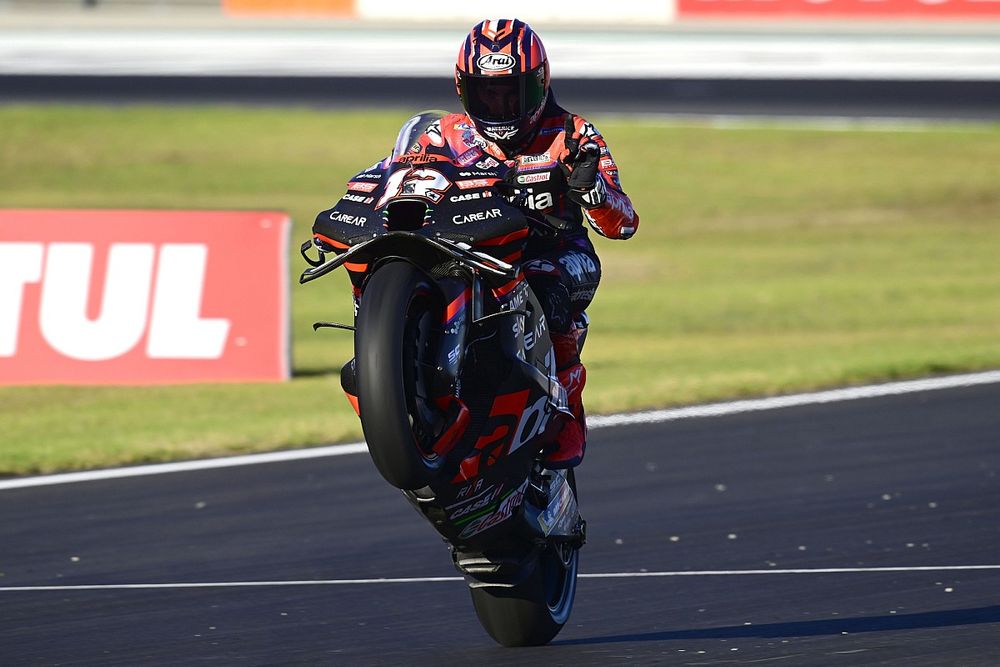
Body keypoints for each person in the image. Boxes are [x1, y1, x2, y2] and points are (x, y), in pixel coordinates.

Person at [442, 18, 640, 469]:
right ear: (463, 90)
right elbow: (398, 173)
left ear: (539, 85)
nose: (500, 103)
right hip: (471, 255)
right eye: (487, 92)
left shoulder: (573, 133)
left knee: (543, 286)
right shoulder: (445, 134)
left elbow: (623, 224)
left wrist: (595, 193)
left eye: (512, 91)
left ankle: (566, 413)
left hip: (557, 255)